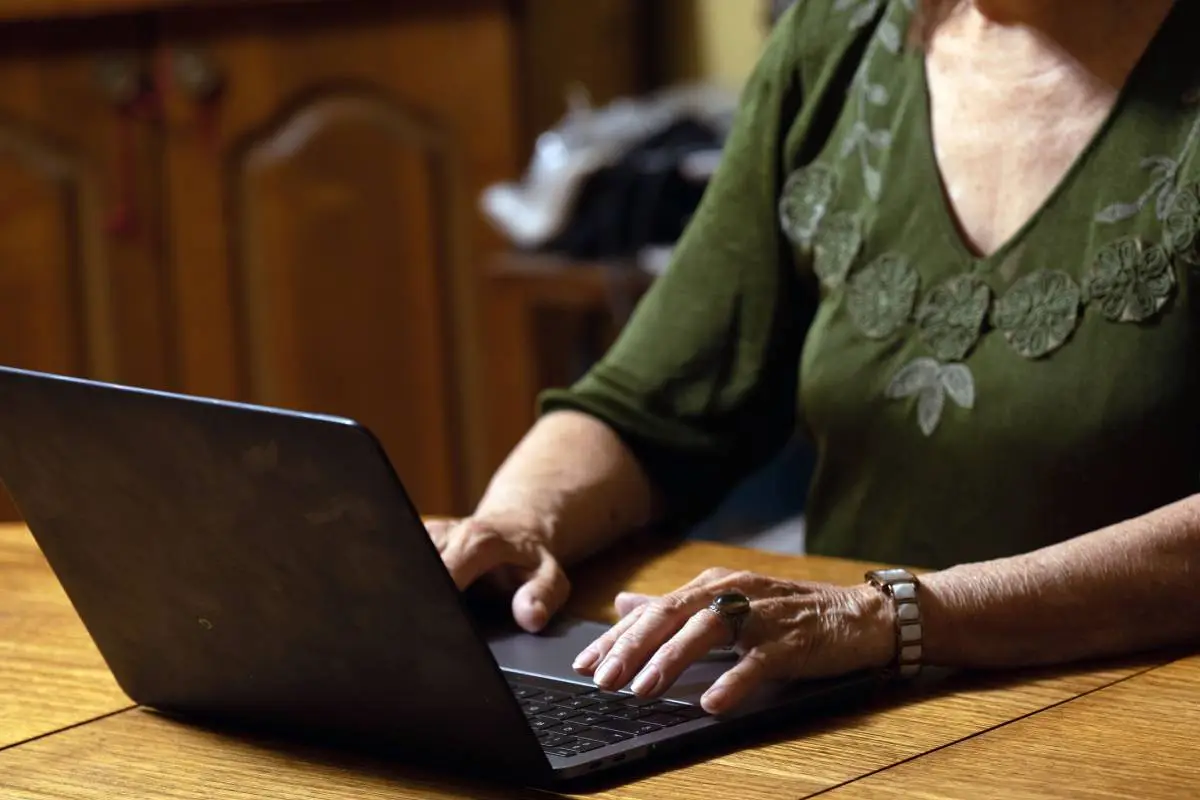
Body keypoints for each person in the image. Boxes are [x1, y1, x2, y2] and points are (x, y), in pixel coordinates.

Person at [429, 0, 1200, 716]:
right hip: (857, 704)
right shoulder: (839, 38)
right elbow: (657, 398)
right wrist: (521, 518)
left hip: (1137, 710)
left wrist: (898, 616)